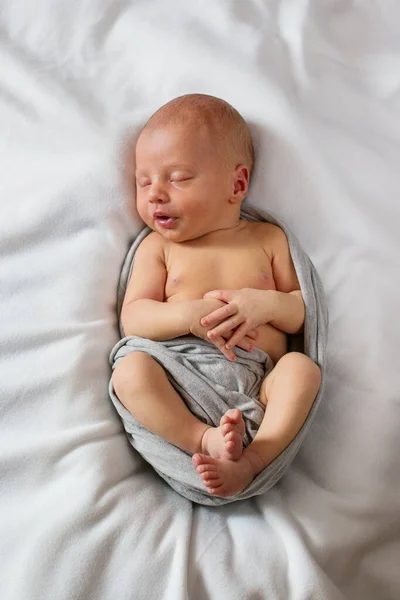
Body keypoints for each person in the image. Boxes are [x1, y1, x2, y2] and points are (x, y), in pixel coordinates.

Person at [112, 93, 321, 498]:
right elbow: (133, 318)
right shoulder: (159, 247)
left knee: (302, 370)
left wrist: (267, 304)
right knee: (130, 372)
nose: (154, 193)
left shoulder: (268, 239)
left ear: (237, 184)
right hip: (177, 377)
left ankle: (254, 459)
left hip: (256, 385)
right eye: (143, 181)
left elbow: (301, 313)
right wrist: (189, 316)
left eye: (177, 177)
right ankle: (201, 438)